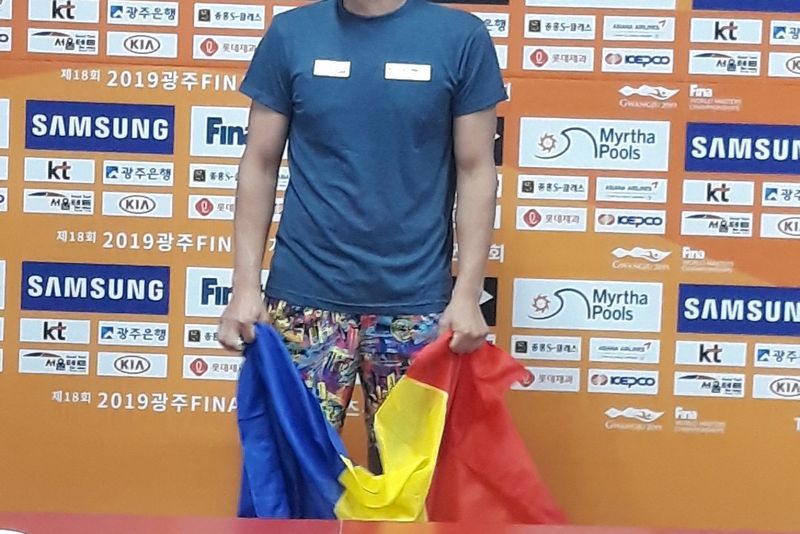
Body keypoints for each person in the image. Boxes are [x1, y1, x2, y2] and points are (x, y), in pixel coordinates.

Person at [217, 0, 506, 472]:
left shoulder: (460, 38)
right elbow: (259, 163)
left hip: (416, 308)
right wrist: (244, 287)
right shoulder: (291, 34)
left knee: (409, 485)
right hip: (304, 303)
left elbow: (476, 171)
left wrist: (468, 294)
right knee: (293, 479)